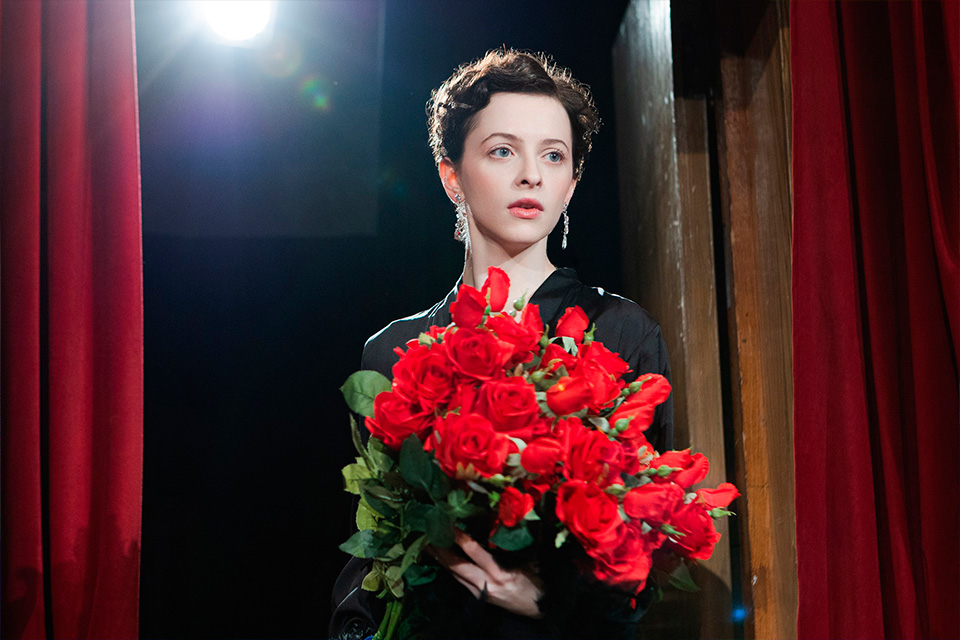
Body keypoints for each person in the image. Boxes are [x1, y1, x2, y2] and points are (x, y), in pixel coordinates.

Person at [330, 49, 673, 639]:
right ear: (452, 176)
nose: (531, 175)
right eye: (503, 151)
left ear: (571, 185)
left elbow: (647, 538)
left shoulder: (621, 332)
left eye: (553, 155)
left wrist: (549, 603)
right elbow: (379, 544)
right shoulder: (394, 351)